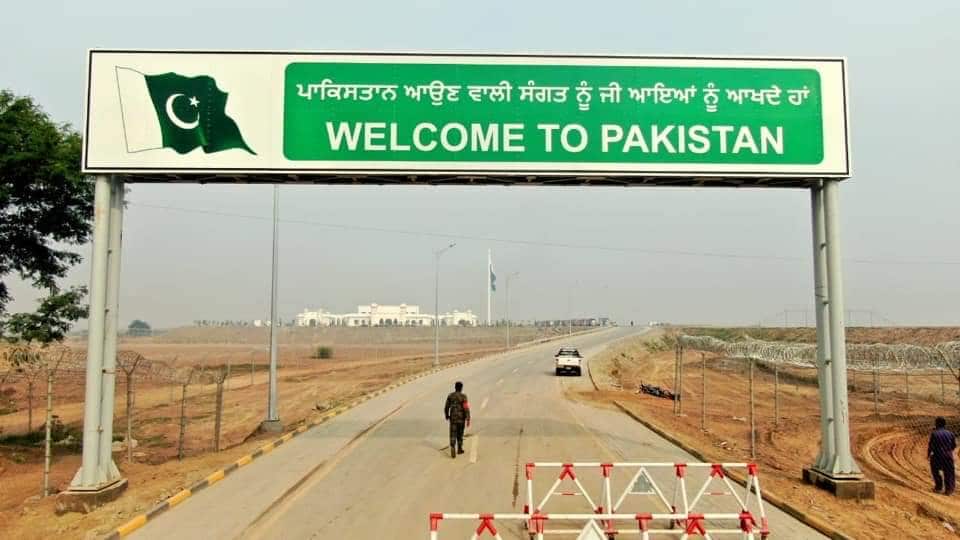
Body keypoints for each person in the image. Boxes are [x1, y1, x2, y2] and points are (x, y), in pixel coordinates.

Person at [928, 417, 956, 495]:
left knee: (935, 471)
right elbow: (954, 446)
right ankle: (949, 490)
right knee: (949, 472)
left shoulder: (934, 433)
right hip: (948, 456)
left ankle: (938, 487)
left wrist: (928, 454)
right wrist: (948, 452)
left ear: (937, 424)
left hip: (937, 456)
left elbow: (931, 446)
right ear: (945, 424)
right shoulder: (951, 433)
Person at [444, 381, 471, 459]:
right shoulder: (463, 396)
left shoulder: (450, 396)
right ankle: (459, 449)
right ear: (461, 388)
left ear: (455, 387)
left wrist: (447, 415)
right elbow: (466, 408)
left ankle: (452, 446)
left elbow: (446, 407)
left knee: (453, 433)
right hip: (461, 419)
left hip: (453, 418)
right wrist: (468, 418)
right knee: (460, 434)